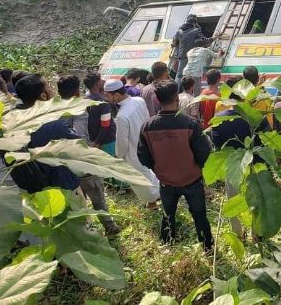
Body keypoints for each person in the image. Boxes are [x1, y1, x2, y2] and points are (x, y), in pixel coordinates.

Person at [137, 80, 213, 250]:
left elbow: (143, 156)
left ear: (156, 99)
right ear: (177, 99)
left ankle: (167, 244)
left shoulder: (148, 126)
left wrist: (158, 168)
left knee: (167, 214)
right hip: (192, 180)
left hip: (166, 182)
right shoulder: (191, 124)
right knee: (199, 215)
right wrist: (198, 169)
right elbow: (204, 154)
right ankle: (207, 246)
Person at [57, 75, 120, 235]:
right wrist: (94, 146)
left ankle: (84, 230)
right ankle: (109, 226)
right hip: (83, 160)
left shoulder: (55, 110)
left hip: (64, 162)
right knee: (97, 194)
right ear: (77, 92)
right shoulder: (81, 108)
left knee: (77, 200)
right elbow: (80, 134)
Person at [211, 77, 269, 235]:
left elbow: (218, 146)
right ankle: (256, 233)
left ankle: (238, 233)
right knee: (257, 200)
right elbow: (268, 142)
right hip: (256, 167)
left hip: (233, 168)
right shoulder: (258, 117)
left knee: (234, 201)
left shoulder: (220, 118)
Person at [9, 74, 81, 193]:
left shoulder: (12, 122)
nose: (52, 91)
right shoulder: (53, 124)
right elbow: (78, 145)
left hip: (32, 190)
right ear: (43, 96)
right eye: (49, 87)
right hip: (62, 187)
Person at [104, 79, 160, 207]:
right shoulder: (138, 101)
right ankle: (159, 199)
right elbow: (148, 120)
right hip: (146, 145)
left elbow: (122, 143)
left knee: (141, 181)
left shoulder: (122, 116)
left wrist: (119, 156)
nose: (107, 98)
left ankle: (153, 203)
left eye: (108, 95)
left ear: (116, 95)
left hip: (133, 152)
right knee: (150, 174)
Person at [82, 72, 117, 156]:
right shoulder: (102, 102)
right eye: (100, 80)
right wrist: (98, 142)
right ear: (97, 84)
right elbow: (105, 125)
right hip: (106, 141)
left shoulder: (84, 99)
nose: (102, 81)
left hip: (92, 138)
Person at [172, 14, 211, 85]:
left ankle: (177, 92)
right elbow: (204, 41)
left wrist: (176, 57)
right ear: (195, 22)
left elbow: (174, 43)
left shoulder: (179, 31)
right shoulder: (196, 30)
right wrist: (213, 38)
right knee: (193, 77)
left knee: (179, 76)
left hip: (181, 57)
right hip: (192, 58)